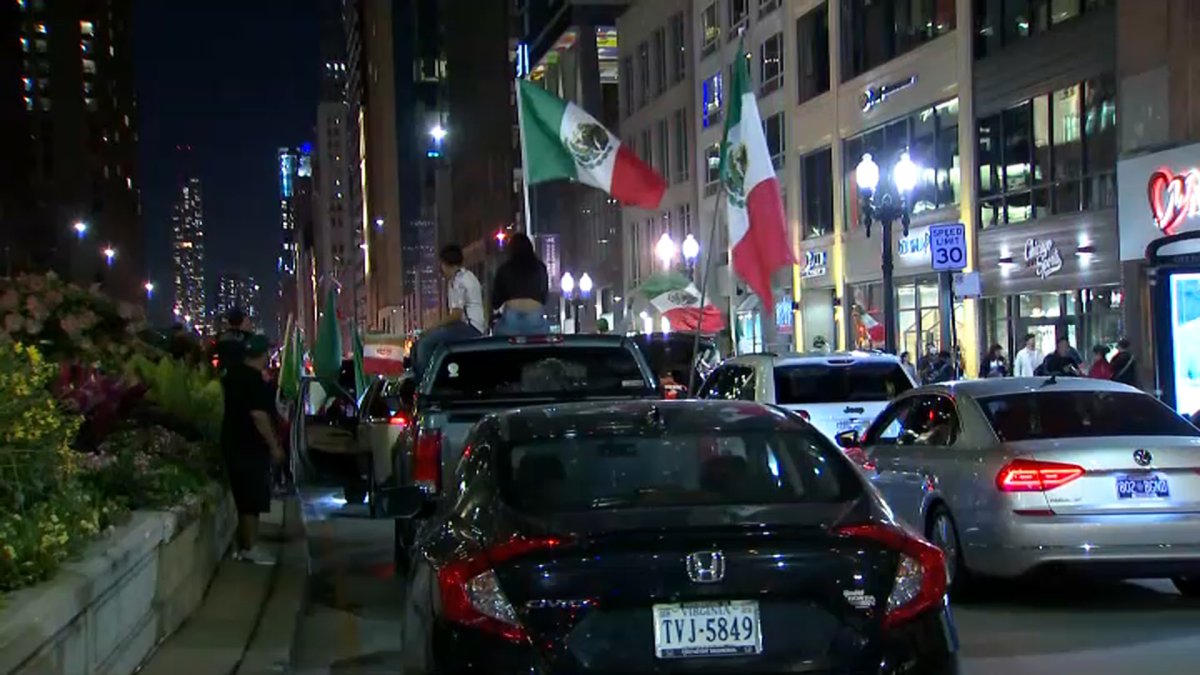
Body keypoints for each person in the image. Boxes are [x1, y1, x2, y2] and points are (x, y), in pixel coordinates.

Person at [220, 334, 284, 564]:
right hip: (250, 446)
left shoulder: (232, 376)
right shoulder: (254, 380)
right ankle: (250, 547)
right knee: (251, 498)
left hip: (232, 443)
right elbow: (259, 416)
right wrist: (274, 446)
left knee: (242, 496)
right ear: (263, 354)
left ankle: (243, 545)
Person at [414, 245, 485, 378]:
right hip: (476, 326)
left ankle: (424, 382)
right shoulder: (469, 275)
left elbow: (456, 315)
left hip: (468, 327)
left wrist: (430, 328)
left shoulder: (457, 282)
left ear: (445, 264)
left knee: (424, 343)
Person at [491, 233, 550, 336]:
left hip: (511, 316)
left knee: (499, 334)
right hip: (535, 315)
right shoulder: (540, 268)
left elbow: (496, 301)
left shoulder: (505, 269)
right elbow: (544, 297)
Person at [214, 308, 252, 373]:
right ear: (241, 321)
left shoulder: (221, 337)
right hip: (241, 373)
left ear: (229, 321)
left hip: (225, 373)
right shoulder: (247, 337)